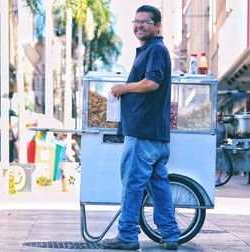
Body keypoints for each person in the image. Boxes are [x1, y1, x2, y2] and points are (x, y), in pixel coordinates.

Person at [102, 5, 180, 250]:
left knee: (133, 184)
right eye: (136, 22)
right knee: (158, 186)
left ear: (157, 26)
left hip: (143, 131)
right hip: (156, 134)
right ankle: (170, 235)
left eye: (145, 22)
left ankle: (127, 235)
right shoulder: (153, 50)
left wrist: (124, 88)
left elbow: (152, 83)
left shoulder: (156, 49)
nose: (139, 26)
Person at [215, 111, 226, 185]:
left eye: (219, 115)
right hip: (212, 145)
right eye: (217, 115)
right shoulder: (212, 125)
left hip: (221, 145)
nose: (218, 117)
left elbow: (225, 135)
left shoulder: (223, 125)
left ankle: (218, 178)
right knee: (213, 162)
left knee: (221, 162)